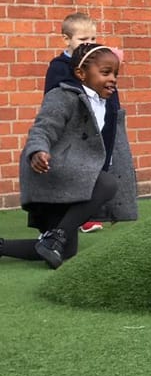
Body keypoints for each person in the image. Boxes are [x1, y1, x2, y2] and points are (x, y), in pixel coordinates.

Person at [0, 43, 138, 269]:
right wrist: (38, 151)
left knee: (66, 251)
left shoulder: (105, 104)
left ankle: (12, 246)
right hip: (49, 171)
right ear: (80, 74)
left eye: (116, 74)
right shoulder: (64, 96)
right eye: (105, 73)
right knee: (106, 182)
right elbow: (42, 128)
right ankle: (57, 235)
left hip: (72, 180)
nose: (113, 78)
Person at [44, 12, 120, 233]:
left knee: (97, 172)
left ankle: (87, 214)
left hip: (98, 128)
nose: (89, 44)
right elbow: (53, 98)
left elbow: (111, 94)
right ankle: (59, 221)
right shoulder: (59, 67)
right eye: (82, 40)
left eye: (93, 39)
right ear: (66, 39)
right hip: (74, 133)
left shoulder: (100, 62)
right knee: (74, 174)